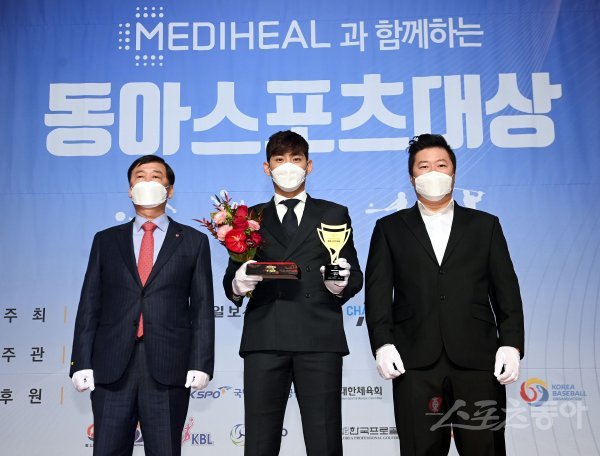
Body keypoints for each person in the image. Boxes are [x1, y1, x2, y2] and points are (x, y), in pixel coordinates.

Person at [365, 134, 524, 455]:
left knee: (485, 447)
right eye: (423, 166)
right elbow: (377, 293)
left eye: (441, 165)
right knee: (419, 448)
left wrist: (511, 343)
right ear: (412, 176)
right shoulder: (390, 227)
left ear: (453, 172)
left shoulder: (484, 225)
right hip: (414, 360)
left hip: (478, 359)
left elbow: (506, 289)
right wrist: (382, 343)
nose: (433, 173)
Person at [223, 130, 363, 456]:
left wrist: (340, 284)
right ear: (267, 168)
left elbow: (354, 273)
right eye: (279, 159)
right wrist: (238, 283)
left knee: (324, 441)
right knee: (259, 442)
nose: (288, 166)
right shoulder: (249, 218)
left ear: (309, 166)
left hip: (319, 337)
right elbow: (231, 279)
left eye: (296, 159)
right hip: (265, 337)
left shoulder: (333, 213)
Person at [69, 155, 215, 456]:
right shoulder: (106, 240)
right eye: (140, 176)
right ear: (129, 189)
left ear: (169, 189)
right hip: (112, 365)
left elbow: (202, 307)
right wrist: (80, 360)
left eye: (156, 176)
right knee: (108, 449)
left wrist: (201, 363)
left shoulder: (193, 241)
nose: (147, 182)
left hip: (168, 366)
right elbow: (90, 303)